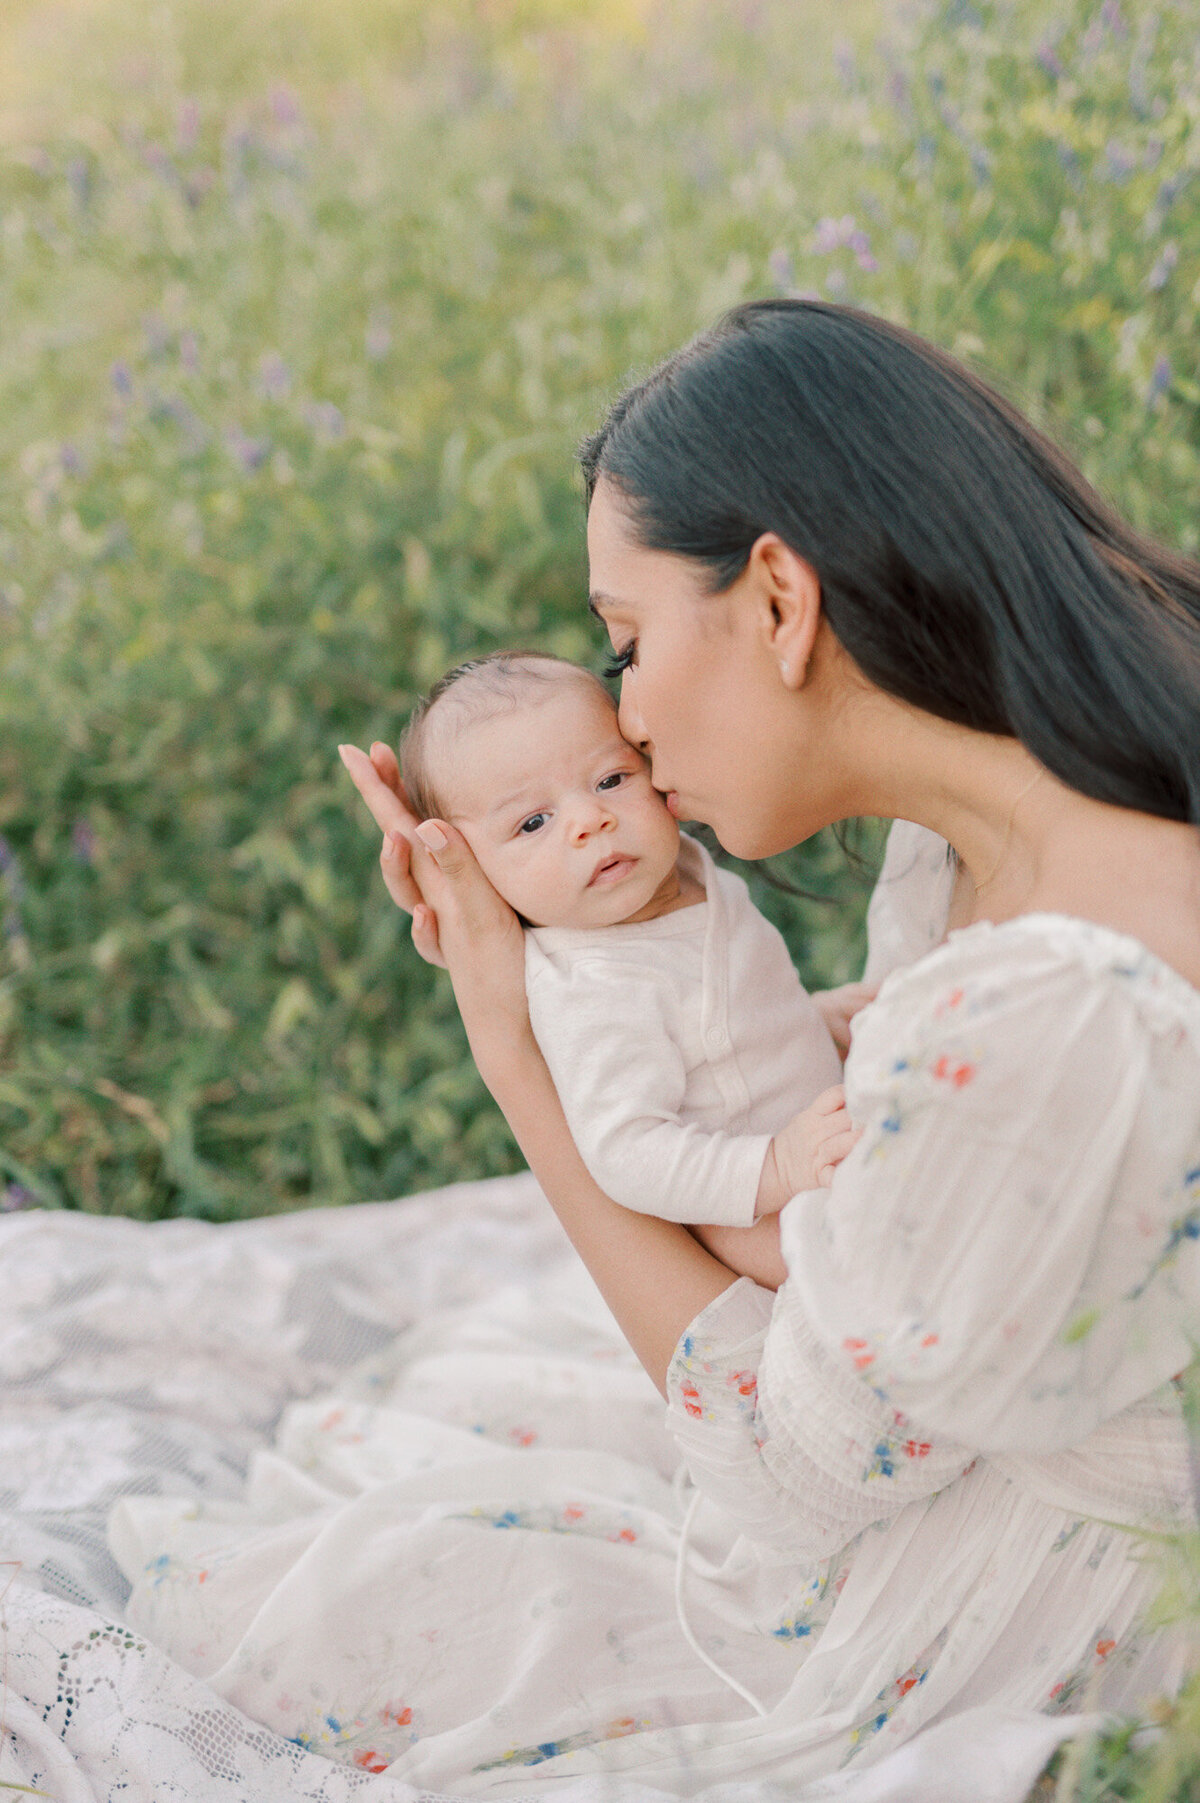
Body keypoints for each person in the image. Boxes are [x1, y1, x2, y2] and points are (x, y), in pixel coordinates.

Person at [115, 299, 1200, 1791]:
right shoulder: (1014, 830)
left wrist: (515, 1037)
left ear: (777, 601)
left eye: (624, 644)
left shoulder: (1041, 1013)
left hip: (1053, 1602)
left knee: (377, 1618)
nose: (620, 714)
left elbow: (786, 1478)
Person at [393, 647, 861, 1247]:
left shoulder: (682, 878)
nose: (590, 818)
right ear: (478, 873)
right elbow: (629, 1153)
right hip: (762, 1222)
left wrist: (806, 1025)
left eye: (611, 780)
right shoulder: (594, 987)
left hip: (817, 1146)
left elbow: (711, 1032)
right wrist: (776, 1167)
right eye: (532, 822)